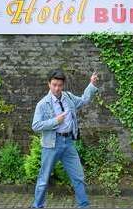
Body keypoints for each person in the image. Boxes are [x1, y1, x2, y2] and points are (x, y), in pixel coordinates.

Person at [31, 69, 99, 208]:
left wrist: (91, 84)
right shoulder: (42, 104)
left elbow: (83, 100)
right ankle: (37, 206)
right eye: (54, 84)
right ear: (49, 84)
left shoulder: (68, 97)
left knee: (78, 177)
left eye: (60, 85)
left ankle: (84, 206)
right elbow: (36, 125)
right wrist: (55, 121)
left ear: (63, 85)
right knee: (43, 179)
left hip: (68, 143)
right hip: (51, 145)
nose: (57, 88)